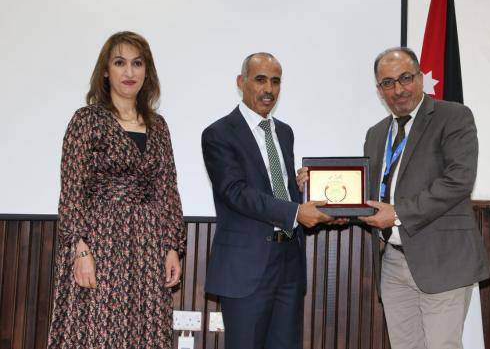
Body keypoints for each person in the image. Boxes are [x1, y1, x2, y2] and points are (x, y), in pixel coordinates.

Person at [48, 31, 186, 348]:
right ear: (106, 71)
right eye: (120, 62)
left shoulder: (158, 126)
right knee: (96, 329)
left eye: (137, 63)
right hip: (99, 241)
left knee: (144, 330)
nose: (129, 72)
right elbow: (72, 189)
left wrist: (171, 246)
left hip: (147, 245)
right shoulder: (87, 120)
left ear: (147, 72)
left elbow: (167, 189)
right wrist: (81, 249)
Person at [354, 47, 490, 348]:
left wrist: (397, 214)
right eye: (388, 83)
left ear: (420, 77)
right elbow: (369, 193)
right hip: (392, 263)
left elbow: (459, 180)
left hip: (442, 260)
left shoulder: (452, 116)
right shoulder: (376, 134)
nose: (398, 89)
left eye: (405, 78)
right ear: (379, 90)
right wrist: (323, 189)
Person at [201, 52, 334, 349]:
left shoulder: (284, 133)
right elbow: (235, 192)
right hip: (246, 267)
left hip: (289, 262)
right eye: (260, 80)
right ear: (241, 82)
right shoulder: (218, 133)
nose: (269, 89)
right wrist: (296, 211)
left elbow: (277, 189)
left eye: (275, 81)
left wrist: (302, 190)